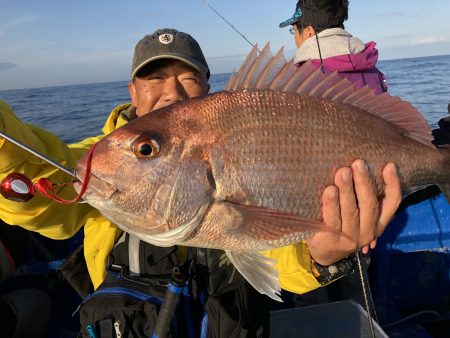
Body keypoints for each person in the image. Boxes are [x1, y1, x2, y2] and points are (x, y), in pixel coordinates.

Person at [0, 28, 402, 337]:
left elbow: (280, 262)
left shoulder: (241, 131)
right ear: (132, 91)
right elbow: (41, 177)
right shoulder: (102, 160)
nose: (171, 92)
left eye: (188, 77)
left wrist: (322, 257)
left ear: (208, 86)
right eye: (154, 78)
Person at [280, 0, 387, 94]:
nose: (294, 36)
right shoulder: (374, 72)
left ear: (309, 32)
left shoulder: (298, 81)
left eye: (294, 30)